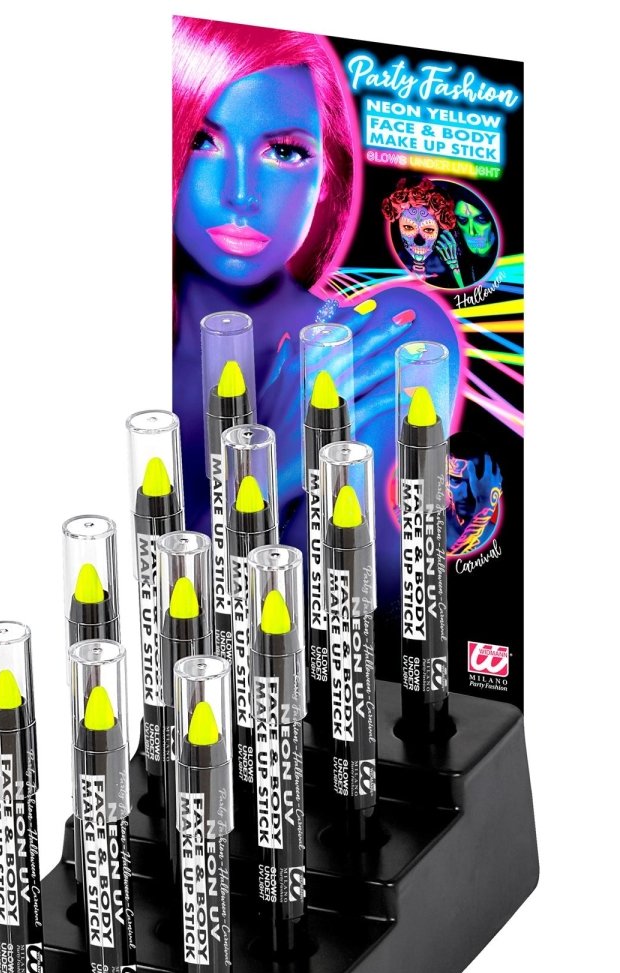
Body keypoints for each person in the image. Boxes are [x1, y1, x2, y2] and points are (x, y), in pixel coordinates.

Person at [172, 16, 461, 587]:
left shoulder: (386, 338)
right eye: (202, 142)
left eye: (283, 151)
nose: (240, 194)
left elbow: (371, 595)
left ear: (327, 174)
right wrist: (267, 471)